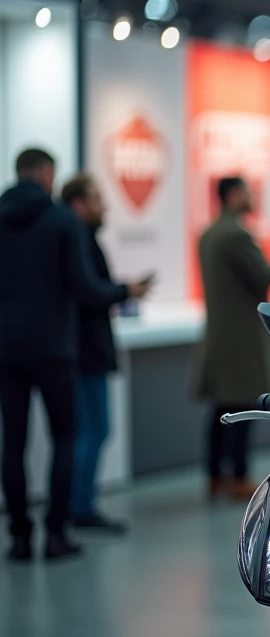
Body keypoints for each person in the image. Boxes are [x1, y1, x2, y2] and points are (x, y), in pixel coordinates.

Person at [0, 149, 149, 561]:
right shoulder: (62, 221)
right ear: (47, 173)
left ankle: (17, 536)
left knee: (12, 444)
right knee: (65, 436)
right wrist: (124, 291)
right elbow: (85, 288)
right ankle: (56, 534)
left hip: (7, 349)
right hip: (53, 348)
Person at [61, 175, 152, 531]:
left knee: (92, 429)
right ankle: (80, 506)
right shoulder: (77, 240)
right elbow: (89, 291)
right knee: (93, 429)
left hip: (83, 351)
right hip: (85, 353)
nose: (105, 207)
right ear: (79, 203)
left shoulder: (78, 240)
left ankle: (78, 503)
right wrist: (123, 290)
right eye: (98, 199)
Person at [195, 176, 270, 499]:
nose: (251, 196)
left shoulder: (210, 233)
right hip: (240, 335)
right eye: (245, 191)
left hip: (219, 332)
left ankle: (215, 475)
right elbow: (263, 275)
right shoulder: (236, 234)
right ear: (232, 195)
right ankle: (238, 475)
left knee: (220, 409)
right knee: (242, 407)